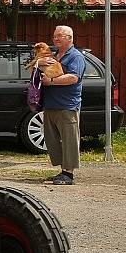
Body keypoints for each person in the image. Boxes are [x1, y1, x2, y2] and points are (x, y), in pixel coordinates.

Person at [39, 25, 85, 185]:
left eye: (60, 36)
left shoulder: (75, 57)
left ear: (70, 38)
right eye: (54, 36)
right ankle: (62, 171)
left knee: (69, 140)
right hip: (50, 104)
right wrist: (40, 62)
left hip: (67, 105)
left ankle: (69, 174)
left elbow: (73, 78)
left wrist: (50, 81)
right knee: (52, 140)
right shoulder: (54, 55)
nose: (55, 39)